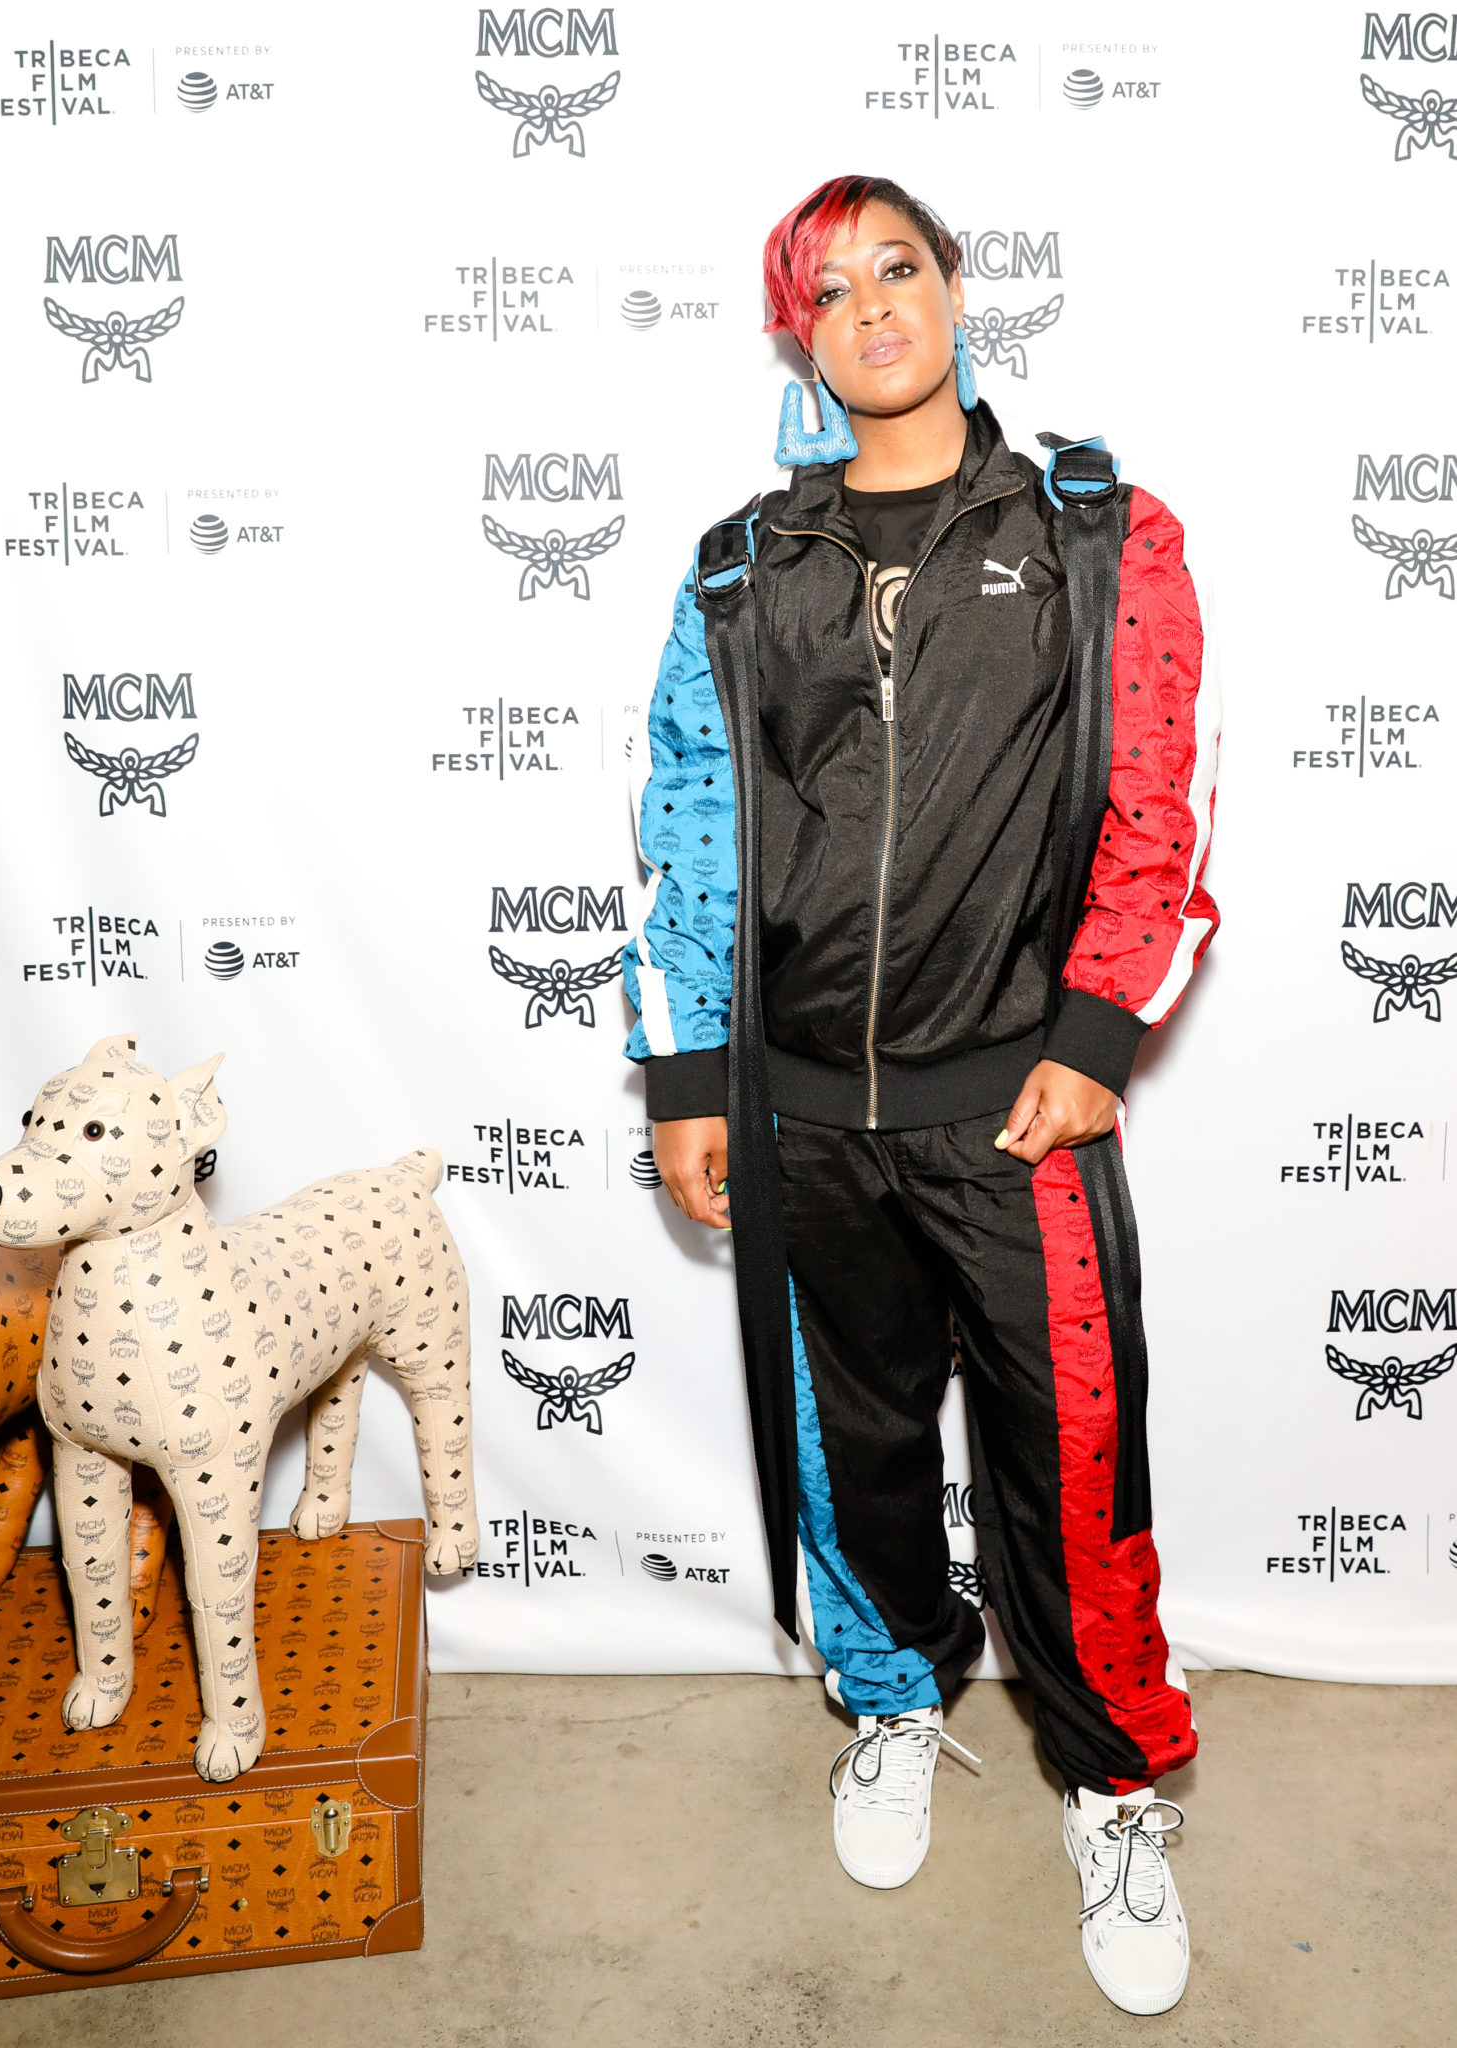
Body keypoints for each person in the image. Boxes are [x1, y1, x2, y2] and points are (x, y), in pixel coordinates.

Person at [621, 174, 1218, 2018]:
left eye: (899, 266)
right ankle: (890, 1704)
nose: (871, 304)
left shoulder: (1094, 530)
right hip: (805, 1118)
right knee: (852, 1451)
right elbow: (693, 822)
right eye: (828, 286)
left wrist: (1093, 1038)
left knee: (1074, 1466)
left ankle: (1112, 1784)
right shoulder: (742, 568)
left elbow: (1159, 802)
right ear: (795, 334)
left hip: (1010, 1114)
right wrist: (691, 1075)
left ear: (956, 290)